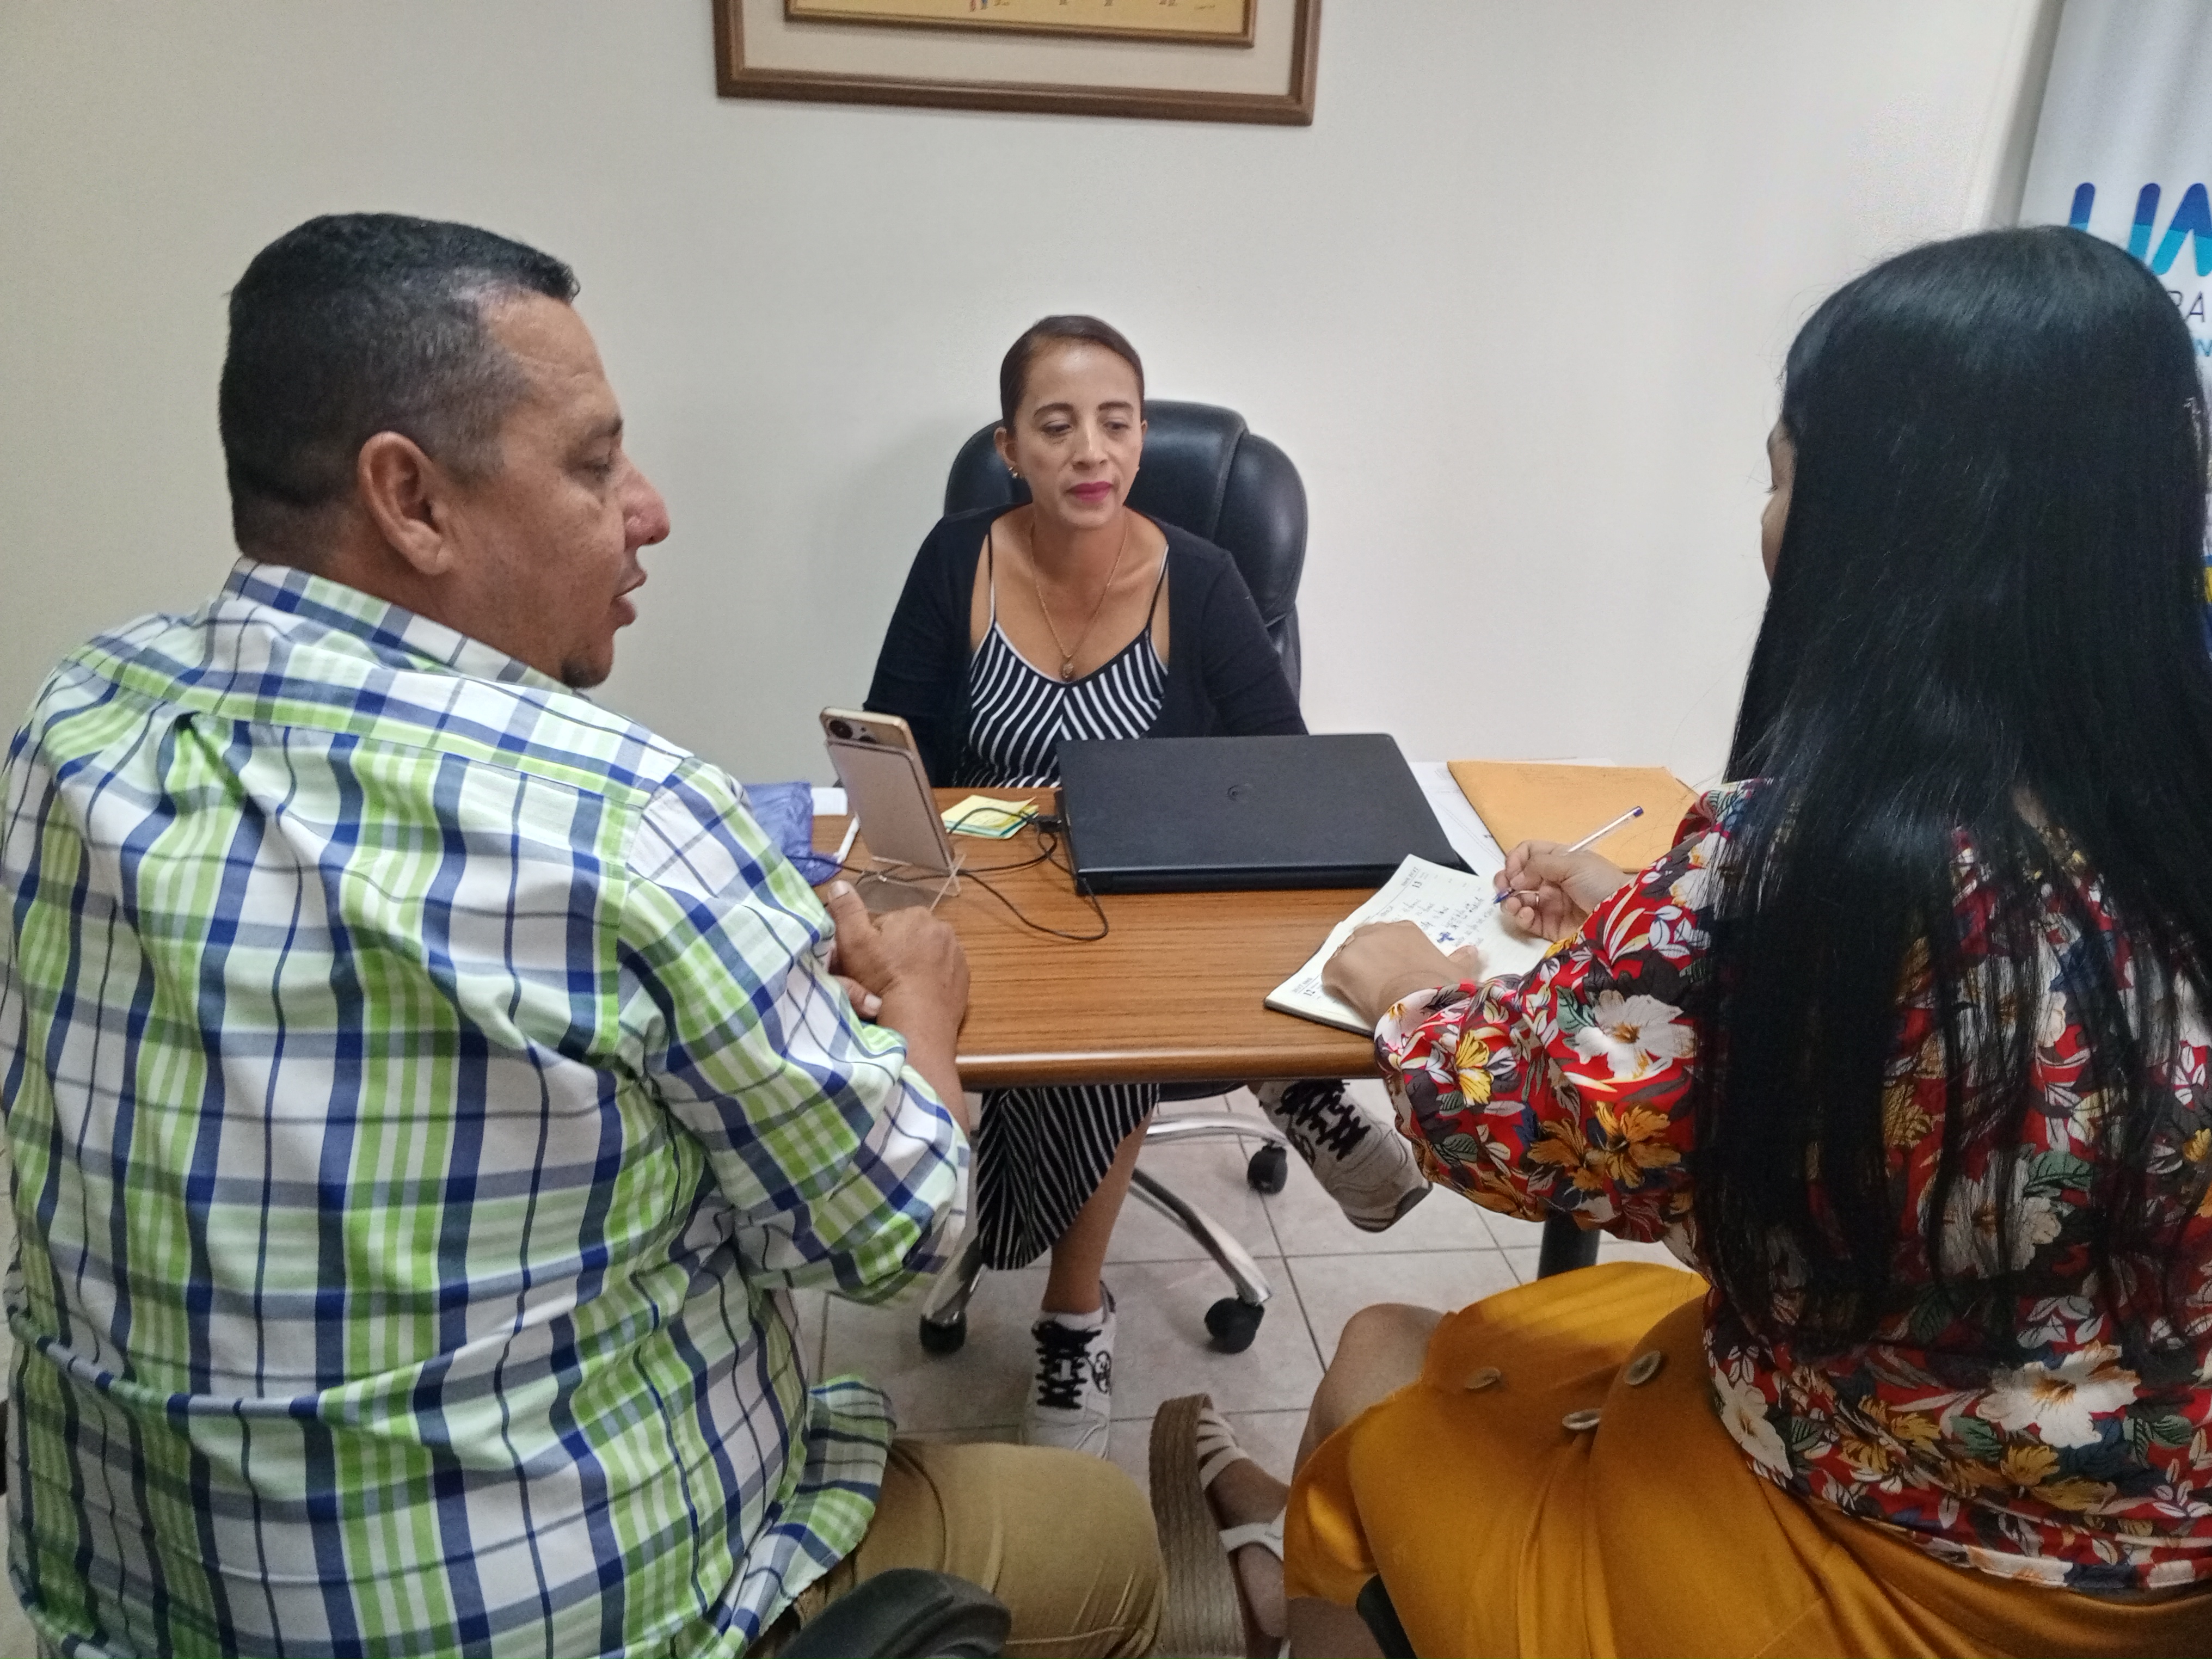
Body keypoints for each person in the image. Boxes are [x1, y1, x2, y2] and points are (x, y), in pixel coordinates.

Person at [0, 213, 1162, 1659]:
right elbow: (897, 1238)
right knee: (1111, 1543)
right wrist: (921, 1008)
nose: (649, 509)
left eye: (1118, 420)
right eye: (595, 463)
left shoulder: (75, 722)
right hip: (582, 1609)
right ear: (410, 499)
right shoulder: (629, 817)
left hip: (136, 1603)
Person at [1150, 225, 2212, 1659]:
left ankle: (1293, 1591)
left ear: (1888, 518)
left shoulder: (1807, 871)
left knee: (1383, 1358)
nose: (1769, 519)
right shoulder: (2146, 825)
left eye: (1785, 475)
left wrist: (1415, 1001)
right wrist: (1652, 927)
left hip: (1878, 1565)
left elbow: (1523, 1129)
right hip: (2157, 1574)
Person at [864, 316, 1427, 1454]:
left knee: (1109, 1022)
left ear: (1139, 439)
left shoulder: (1201, 578)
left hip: (1153, 903)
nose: (1091, 450)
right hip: (1006, 898)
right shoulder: (957, 560)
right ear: (1009, 447)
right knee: (1086, 1002)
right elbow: (897, 743)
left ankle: (1074, 1317)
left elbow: (1283, 772)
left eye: (1115, 423)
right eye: (1056, 426)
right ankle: (1293, 1088)